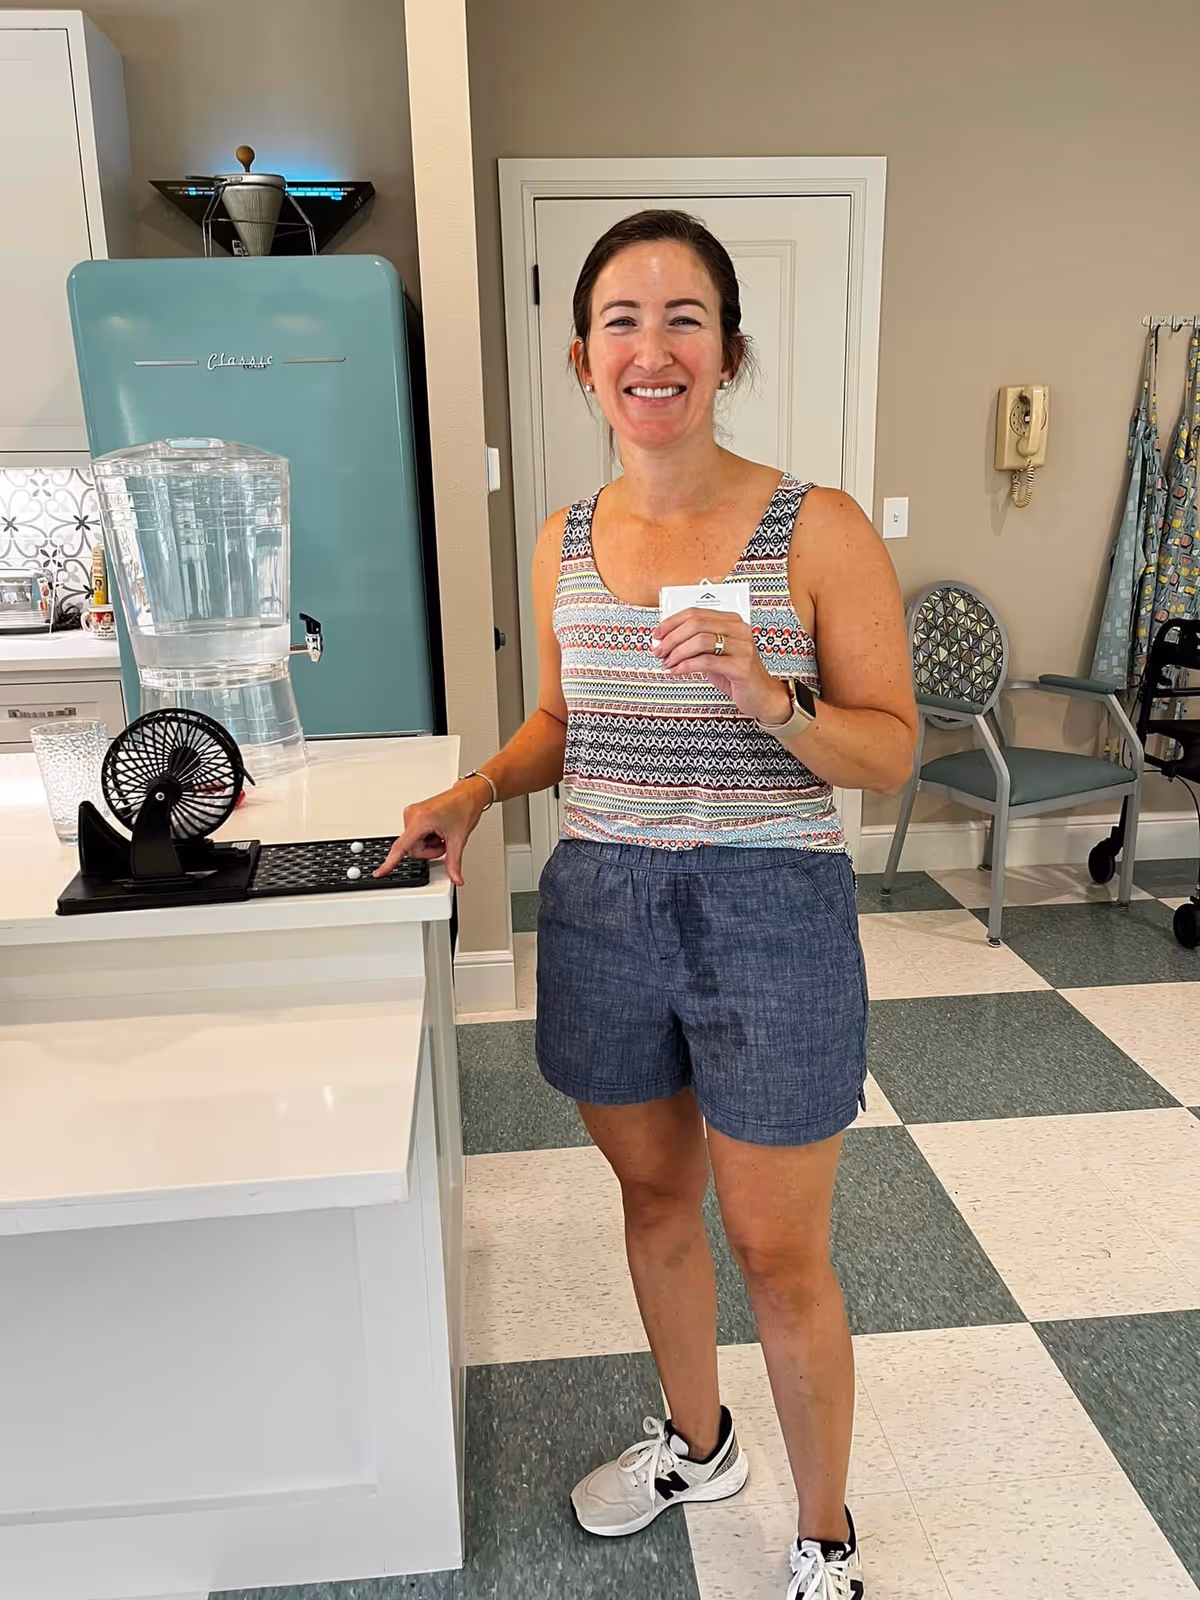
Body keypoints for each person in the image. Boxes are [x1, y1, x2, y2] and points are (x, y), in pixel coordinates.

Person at [378, 209, 918, 1600]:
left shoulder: (820, 526)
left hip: (771, 910)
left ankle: (826, 1536)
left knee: (778, 1245)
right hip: (605, 901)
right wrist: (479, 789)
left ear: (727, 351)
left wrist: (773, 696)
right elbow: (573, 718)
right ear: (583, 360)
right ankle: (698, 1440)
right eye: (623, 319)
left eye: (685, 318)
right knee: (656, 1200)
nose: (652, 346)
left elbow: (891, 747)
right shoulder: (565, 534)